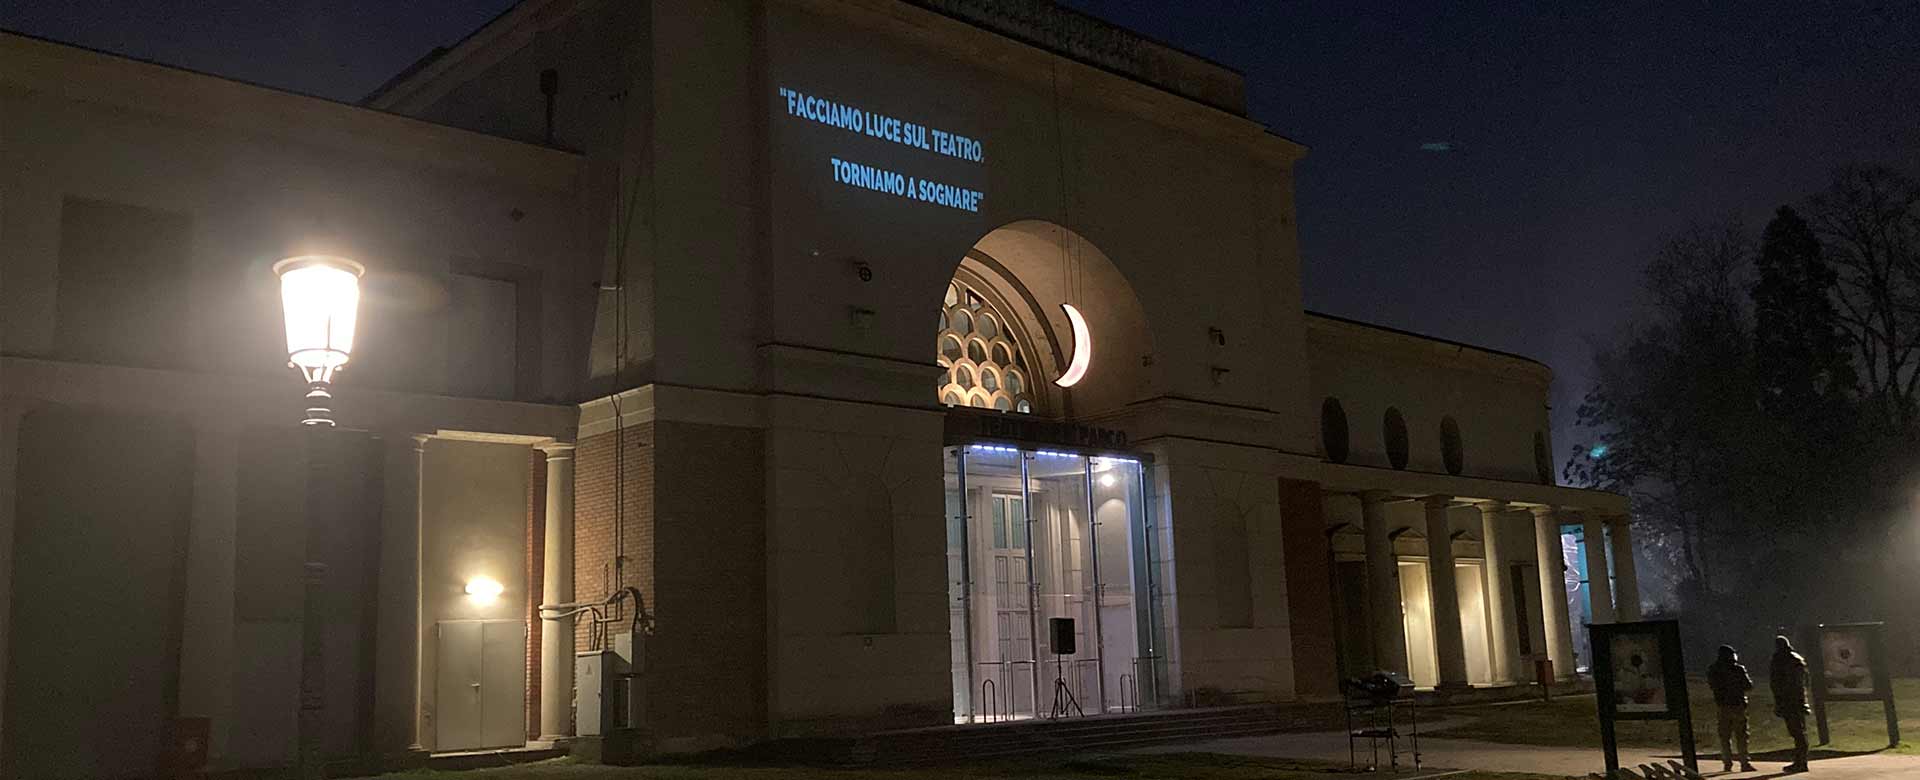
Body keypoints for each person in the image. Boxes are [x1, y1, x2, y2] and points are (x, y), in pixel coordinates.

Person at [1708, 645, 1757, 773]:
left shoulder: (1714, 669)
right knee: (1741, 735)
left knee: (1724, 736)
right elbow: (1748, 685)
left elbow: (1712, 685)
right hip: (1737, 705)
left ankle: (1727, 763)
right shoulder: (1738, 669)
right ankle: (1744, 762)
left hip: (1722, 705)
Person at [1771, 635, 1811, 773]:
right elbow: (1804, 682)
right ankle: (1801, 761)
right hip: (1798, 700)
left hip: (1790, 701)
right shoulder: (1797, 659)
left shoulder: (1781, 660)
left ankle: (1801, 762)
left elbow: (1779, 683)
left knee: (1797, 733)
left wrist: (1780, 701)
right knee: (1799, 732)